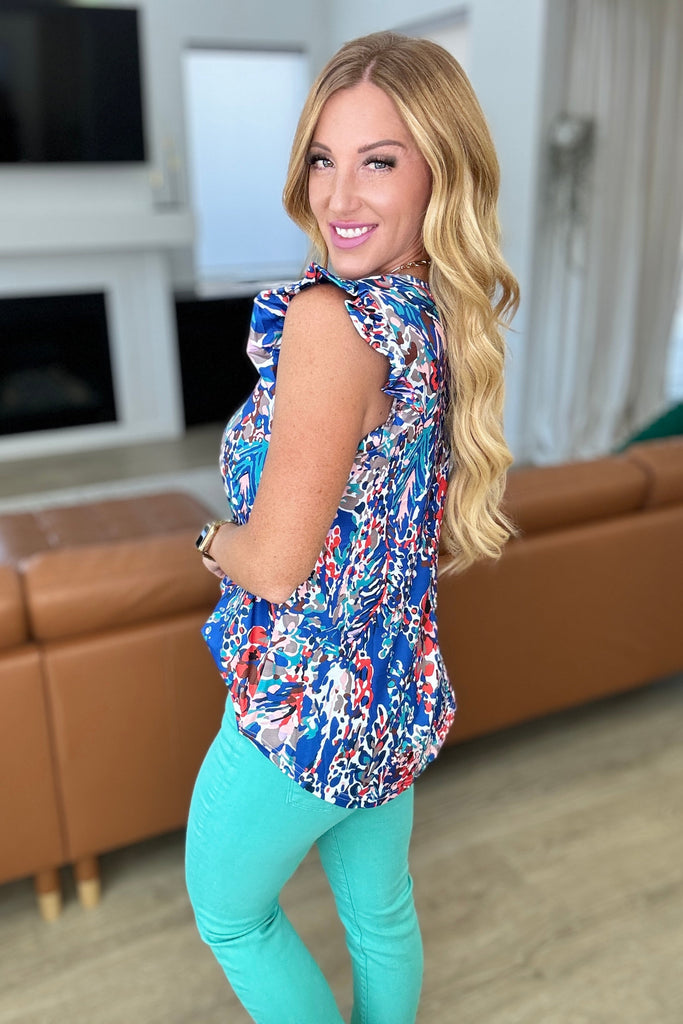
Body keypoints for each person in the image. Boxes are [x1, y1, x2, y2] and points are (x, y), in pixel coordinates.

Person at [185, 29, 519, 1024]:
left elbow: (275, 565)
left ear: (439, 170)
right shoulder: (437, 313)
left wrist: (208, 541)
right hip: (391, 689)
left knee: (229, 913)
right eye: (322, 160)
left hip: (302, 701)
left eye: (378, 162)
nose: (338, 197)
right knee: (379, 913)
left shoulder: (334, 321)